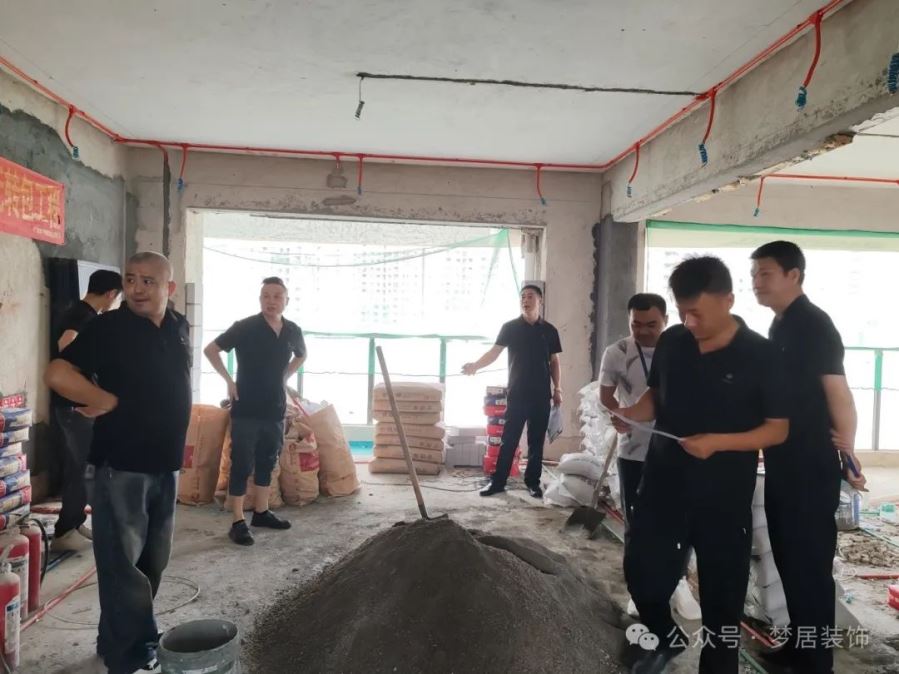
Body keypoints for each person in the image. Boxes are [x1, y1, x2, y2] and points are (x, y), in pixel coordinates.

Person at [615, 257, 789, 674]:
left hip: (722, 497)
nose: (690, 322)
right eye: (683, 312)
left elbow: (777, 430)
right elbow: (656, 395)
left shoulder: (760, 355)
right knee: (642, 572)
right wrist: (632, 414)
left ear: (728, 300)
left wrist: (717, 443)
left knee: (722, 602)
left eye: (699, 313)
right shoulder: (674, 341)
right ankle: (665, 635)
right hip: (662, 484)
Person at [44, 252, 191, 674]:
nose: (137, 289)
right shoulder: (109, 327)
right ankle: (130, 654)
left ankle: (117, 640)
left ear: (169, 288)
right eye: (130, 280)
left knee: (152, 562)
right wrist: (102, 399)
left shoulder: (178, 325)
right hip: (121, 464)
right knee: (122, 567)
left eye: (148, 281)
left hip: (164, 463)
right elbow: (58, 373)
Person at [751, 241, 865, 673]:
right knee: (789, 559)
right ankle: (800, 647)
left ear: (793, 275)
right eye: (754, 275)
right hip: (784, 460)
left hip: (809, 465)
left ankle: (817, 663)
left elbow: (839, 393)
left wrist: (848, 453)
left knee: (809, 565)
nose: (756, 282)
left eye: (764, 273)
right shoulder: (781, 323)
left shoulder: (814, 325)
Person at [599, 293, 701, 622]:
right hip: (634, 452)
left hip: (677, 452)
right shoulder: (617, 353)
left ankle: (677, 582)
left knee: (680, 522)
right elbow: (605, 396)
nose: (643, 331)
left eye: (651, 325)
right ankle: (639, 590)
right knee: (638, 523)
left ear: (666, 320)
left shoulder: (682, 348)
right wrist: (620, 416)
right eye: (636, 325)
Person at [204, 276, 306, 546]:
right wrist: (229, 381)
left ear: (286, 300)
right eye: (265, 296)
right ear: (260, 299)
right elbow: (211, 350)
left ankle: (261, 512)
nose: (271, 301)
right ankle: (238, 521)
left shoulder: (292, 330)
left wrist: (284, 377)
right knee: (241, 463)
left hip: (275, 407)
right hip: (246, 406)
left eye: (277, 296)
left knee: (268, 460)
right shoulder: (245, 327)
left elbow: (301, 355)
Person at [462, 284, 562, 498]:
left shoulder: (549, 330)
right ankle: (498, 482)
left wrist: (558, 389)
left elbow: (554, 361)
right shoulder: (510, 328)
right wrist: (475, 366)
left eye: (530, 296)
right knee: (509, 440)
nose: (525, 300)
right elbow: (494, 353)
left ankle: (533, 483)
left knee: (536, 442)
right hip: (517, 395)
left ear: (540, 300)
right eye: (522, 297)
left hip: (541, 396)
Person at [50, 269, 122, 549]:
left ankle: (72, 522)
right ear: (111, 294)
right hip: (76, 407)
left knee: (77, 466)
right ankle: (66, 528)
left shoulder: (80, 312)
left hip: (72, 405)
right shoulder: (83, 317)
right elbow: (66, 344)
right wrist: (89, 391)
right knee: (85, 468)